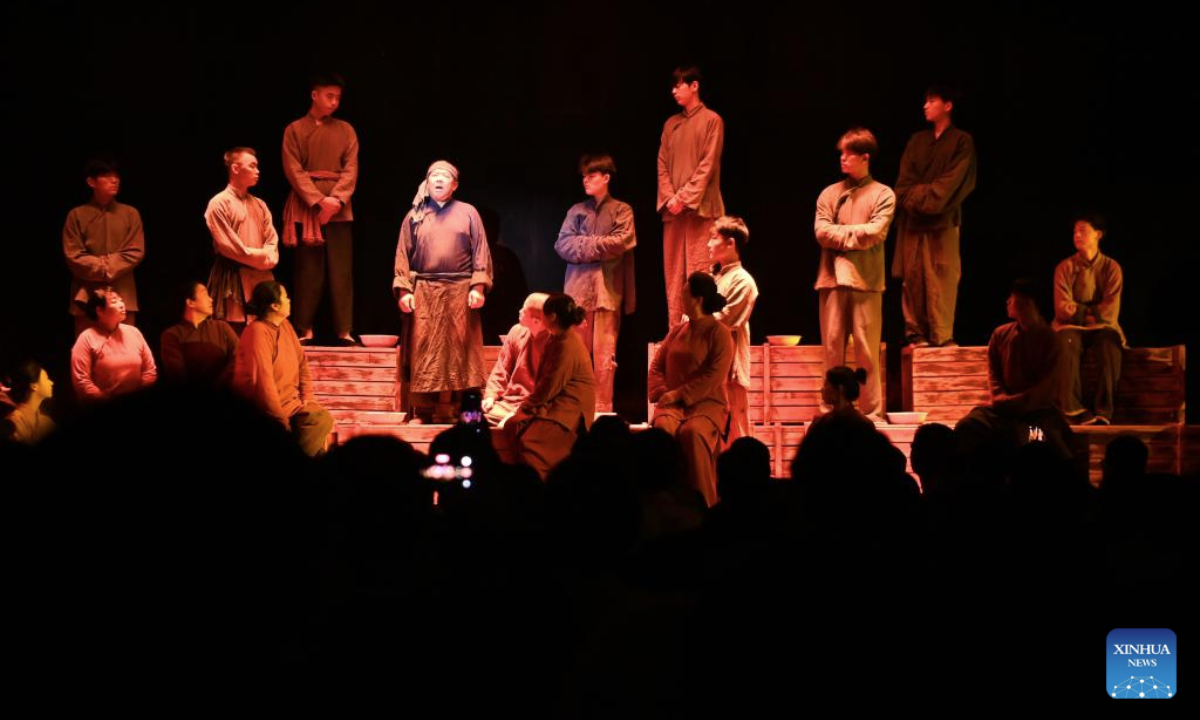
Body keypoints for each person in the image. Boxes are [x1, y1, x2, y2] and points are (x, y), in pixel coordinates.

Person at [393, 161, 493, 423]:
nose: (439, 180)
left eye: (445, 176)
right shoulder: (415, 214)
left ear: (455, 184)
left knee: (460, 349)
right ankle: (424, 411)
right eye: (434, 175)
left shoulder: (468, 212)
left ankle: (459, 409)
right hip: (425, 290)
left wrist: (478, 285)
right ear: (427, 182)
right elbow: (402, 253)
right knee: (425, 348)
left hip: (460, 290)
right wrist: (404, 290)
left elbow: (480, 250)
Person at [814, 127, 895, 420]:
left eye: (849, 154)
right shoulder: (829, 193)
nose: (843, 159)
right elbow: (821, 232)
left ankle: (871, 412)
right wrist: (853, 237)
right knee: (832, 350)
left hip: (866, 283)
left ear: (865, 157)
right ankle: (829, 409)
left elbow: (876, 232)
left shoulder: (883, 194)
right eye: (842, 153)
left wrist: (841, 237)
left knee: (867, 352)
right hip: (832, 281)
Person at [892, 85, 977, 348]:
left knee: (943, 276)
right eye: (925, 101)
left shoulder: (962, 141)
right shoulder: (917, 141)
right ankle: (915, 333)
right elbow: (903, 187)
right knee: (913, 277)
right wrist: (918, 196)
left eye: (932, 101)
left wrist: (924, 198)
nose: (925, 106)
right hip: (913, 224)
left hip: (943, 222)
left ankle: (942, 335)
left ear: (948, 105)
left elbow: (951, 184)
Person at [281, 72, 360, 346]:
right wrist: (317, 201)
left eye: (338, 97)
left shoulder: (346, 130)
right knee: (308, 269)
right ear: (314, 94)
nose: (334, 102)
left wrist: (336, 200)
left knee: (341, 268)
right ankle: (304, 327)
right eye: (329, 96)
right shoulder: (294, 130)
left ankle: (344, 329)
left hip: (340, 207)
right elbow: (293, 170)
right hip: (308, 207)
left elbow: (351, 169)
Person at [955, 280, 1075, 459]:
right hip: (1004, 412)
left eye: (1012, 297)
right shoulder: (1000, 335)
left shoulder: (1051, 339)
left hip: (1038, 415)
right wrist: (1002, 402)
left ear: (1027, 302)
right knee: (967, 425)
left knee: (1031, 438)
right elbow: (994, 382)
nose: (1008, 302)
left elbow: (1045, 392)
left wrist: (1012, 404)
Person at [554, 153, 636, 412]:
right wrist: (600, 244)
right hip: (577, 291)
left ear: (606, 177)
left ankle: (601, 408)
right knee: (575, 354)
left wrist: (586, 244)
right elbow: (563, 245)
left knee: (604, 357)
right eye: (584, 176)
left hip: (607, 291)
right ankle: (574, 407)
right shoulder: (576, 211)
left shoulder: (622, 210)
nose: (585, 180)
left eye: (591, 175)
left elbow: (621, 242)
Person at [648, 272, 734, 506]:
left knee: (692, 433)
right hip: (673, 405)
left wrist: (680, 394)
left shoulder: (720, 333)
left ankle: (705, 503)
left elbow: (714, 377)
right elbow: (656, 365)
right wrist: (662, 391)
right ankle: (661, 501)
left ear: (697, 298)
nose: (681, 295)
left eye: (685, 291)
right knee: (662, 431)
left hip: (707, 404)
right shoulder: (677, 330)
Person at [232, 281, 333, 456]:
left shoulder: (285, 326)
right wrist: (280, 420)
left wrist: (308, 397)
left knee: (321, 420)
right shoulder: (257, 332)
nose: (289, 300)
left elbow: (302, 363)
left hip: (292, 406)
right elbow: (263, 384)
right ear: (274, 305)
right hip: (265, 410)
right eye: (285, 297)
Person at [658, 65, 725, 328]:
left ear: (694, 86)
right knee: (674, 278)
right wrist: (669, 198)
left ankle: (703, 330)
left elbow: (707, 165)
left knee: (701, 272)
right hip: (672, 212)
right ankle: (676, 332)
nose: (674, 91)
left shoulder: (712, 120)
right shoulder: (671, 124)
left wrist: (684, 198)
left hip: (701, 210)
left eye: (679, 85)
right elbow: (661, 164)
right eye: (672, 86)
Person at [506, 293, 596, 479]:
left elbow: (549, 386)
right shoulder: (556, 339)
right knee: (511, 425)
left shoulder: (567, 344)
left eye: (544, 314)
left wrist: (526, 407)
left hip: (568, 412)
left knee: (527, 438)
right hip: (553, 405)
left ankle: (540, 487)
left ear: (552, 317)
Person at [1053, 213, 1124, 425]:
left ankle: (1103, 411)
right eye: (1074, 231)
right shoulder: (1064, 268)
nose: (1077, 235)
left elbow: (1111, 308)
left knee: (1109, 348)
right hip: (1070, 326)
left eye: (1083, 231)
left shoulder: (1112, 268)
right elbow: (1062, 308)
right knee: (1065, 344)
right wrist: (1087, 314)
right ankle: (1074, 410)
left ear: (1098, 234)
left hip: (1103, 326)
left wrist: (1087, 313)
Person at [63, 158, 145, 337]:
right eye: (107, 176)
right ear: (91, 182)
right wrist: (103, 267)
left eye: (116, 176)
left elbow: (135, 252)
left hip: (123, 295)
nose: (114, 180)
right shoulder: (77, 215)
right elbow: (73, 255)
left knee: (125, 352)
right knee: (88, 351)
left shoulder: (130, 214)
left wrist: (103, 265)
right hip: (87, 297)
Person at [205, 147, 280, 331]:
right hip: (233, 275)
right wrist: (262, 257)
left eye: (257, 166)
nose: (257, 171)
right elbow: (230, 248)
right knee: (235, 335)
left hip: (262, 276)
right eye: (252, 166)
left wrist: (269, 259)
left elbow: (272, 241)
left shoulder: (260, 204)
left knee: (264, 333)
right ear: (236, 168)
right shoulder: (219, 203)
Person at [706, 216, 759, 446]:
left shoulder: (744, 281)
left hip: (729, 369)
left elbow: (726, 319)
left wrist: (695, 317)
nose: (709, 244)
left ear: (730, 243)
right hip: (709, 366)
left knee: (735, 432)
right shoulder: (713, 277)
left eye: (713, 238)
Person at [71, 287, 157, 402]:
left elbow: (150, 370)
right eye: (114, 301)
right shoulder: (86, 338)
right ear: (99, 310)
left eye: (121, 300)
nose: (122, 304)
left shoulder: (134, 332)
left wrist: (140, 395)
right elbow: (81, 381)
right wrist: (106, 401)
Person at [483, 293, 550, 427]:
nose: (519, 311)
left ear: (536, 320)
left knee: (541, 419)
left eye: (524, 310)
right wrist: (490, 396)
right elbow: (501, 370)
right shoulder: (516, 332)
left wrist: (522, 412)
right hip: (510, 403)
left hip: (538, 405)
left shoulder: (554, 342)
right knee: (479, 417)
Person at [159, 281, 239, 387]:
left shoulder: (222, 327)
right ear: (190, 302)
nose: (211, 299)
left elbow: (239, 356)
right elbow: (177, 376)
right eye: (205, 294)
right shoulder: (172, 335)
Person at [2, 360, 56, 444]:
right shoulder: (15, 424)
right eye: (46, 378)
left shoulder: (47, 421)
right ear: (34, 386)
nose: (51, 382)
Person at [809, 366, 875, 433]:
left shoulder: (821, 424)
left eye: (826, 384)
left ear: (841, 388)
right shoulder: (865, 424)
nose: (821, 390)